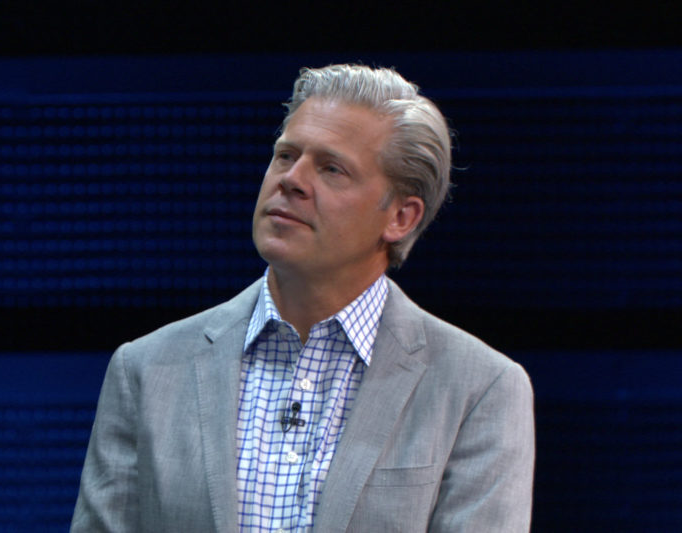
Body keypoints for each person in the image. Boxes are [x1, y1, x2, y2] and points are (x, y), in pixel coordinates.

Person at [71, 64, 535, 532]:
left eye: (332, 168)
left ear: (400, 217)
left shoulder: (481, 389)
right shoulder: (146, 370)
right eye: (285, 155)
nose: (291, 179)